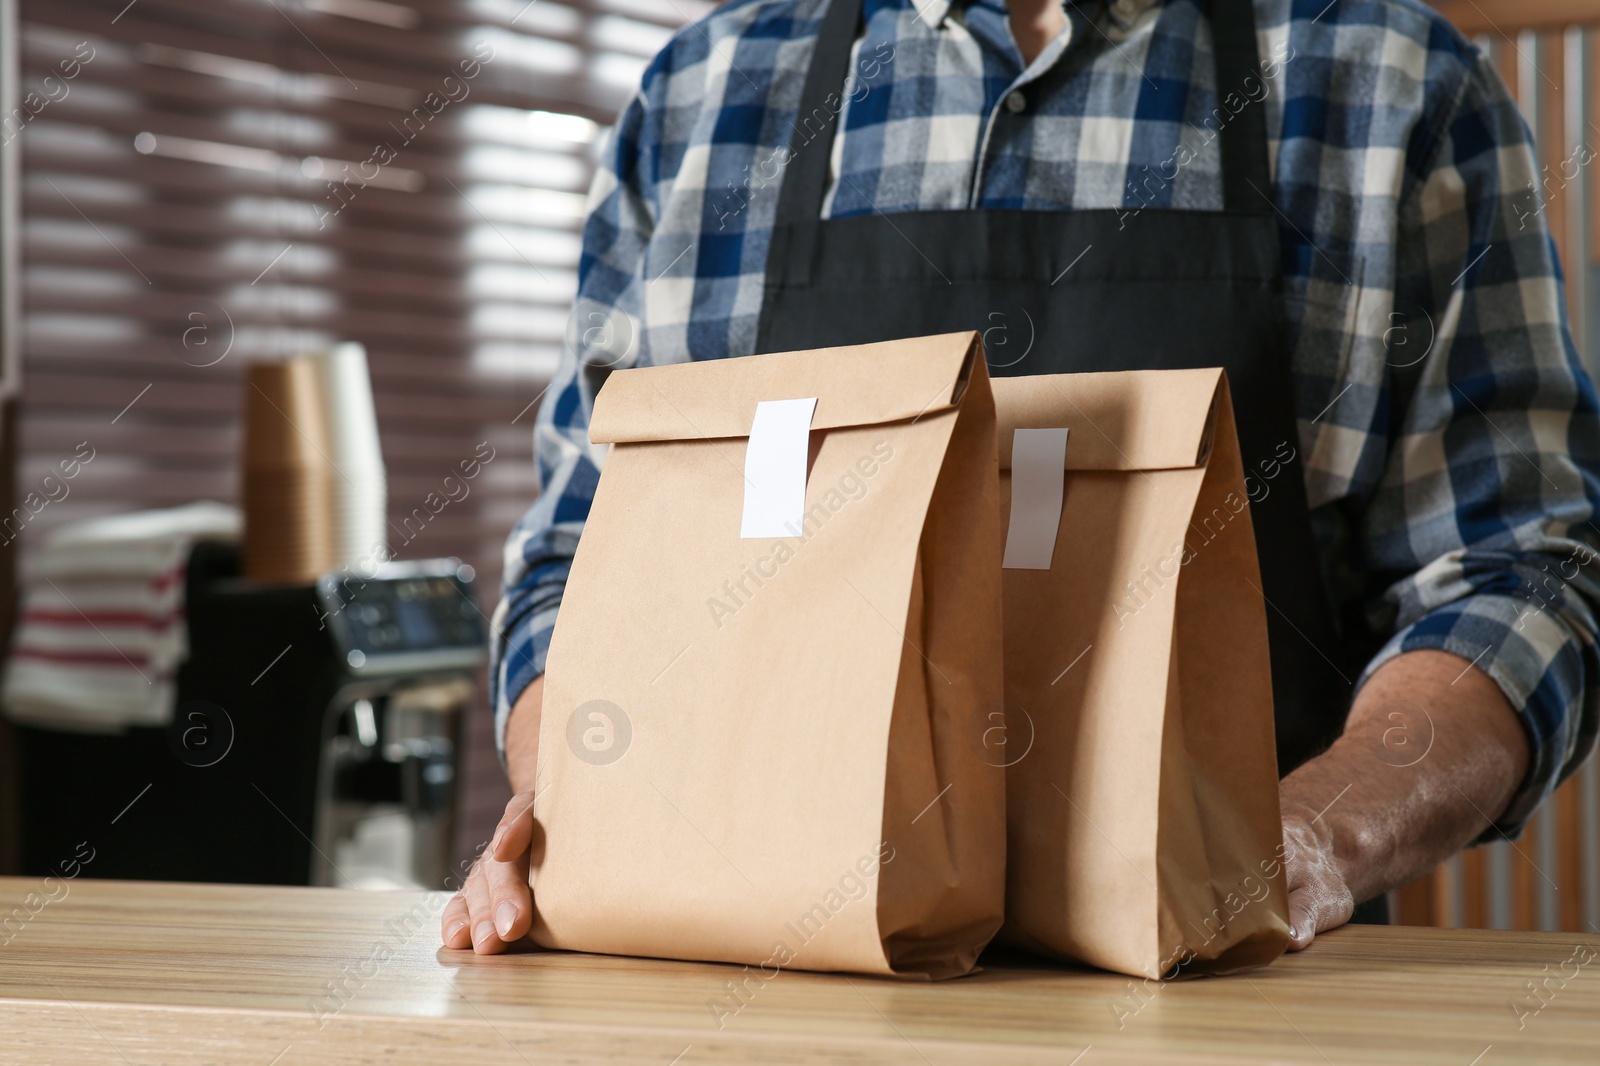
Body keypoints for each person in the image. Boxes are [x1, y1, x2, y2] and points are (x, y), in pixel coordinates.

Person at [442, 0, 1600, 956]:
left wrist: (1305, 838)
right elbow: (575, 560)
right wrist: (580, 809)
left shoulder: (1389, 86)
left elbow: (1520, 576)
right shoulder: (701, 97)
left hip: (1229, 1000)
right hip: (763, 989)